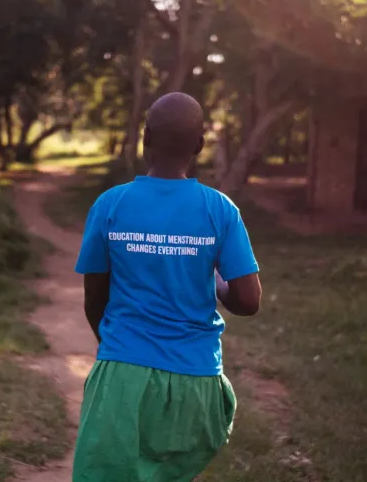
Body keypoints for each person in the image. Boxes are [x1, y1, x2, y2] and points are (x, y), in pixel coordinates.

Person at [72, 92, 262, 482]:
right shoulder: (220, 209)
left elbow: (95, 300)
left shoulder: (110, 205)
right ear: (199, 145)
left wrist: (113, 349)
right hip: (197, 381)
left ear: (146, 140)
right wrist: (216, 283)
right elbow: (248, 300)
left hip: (123, 373)